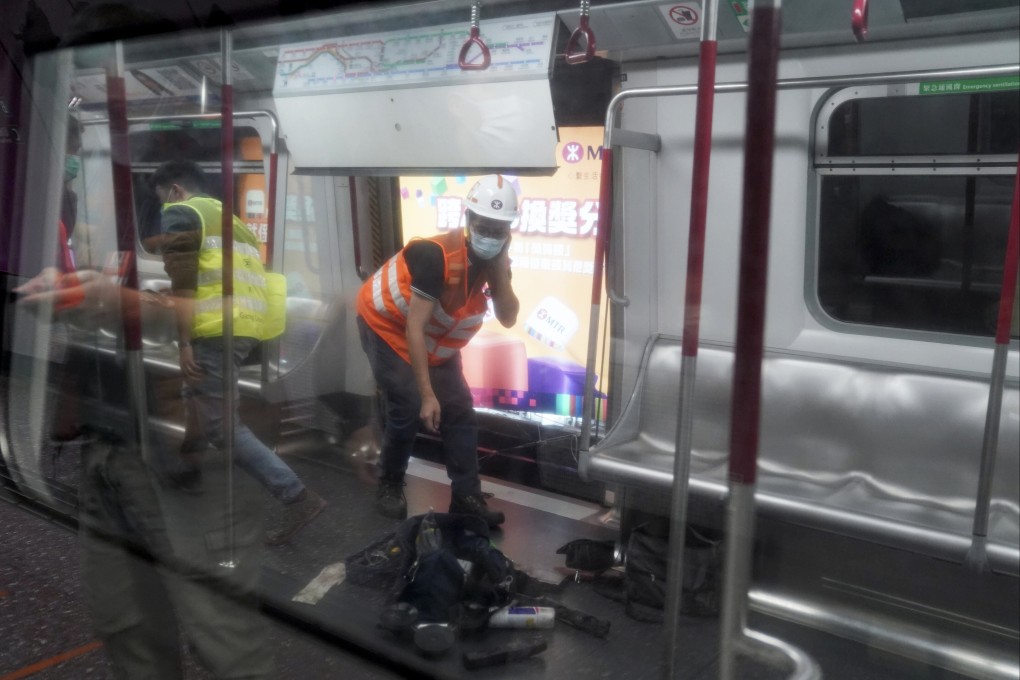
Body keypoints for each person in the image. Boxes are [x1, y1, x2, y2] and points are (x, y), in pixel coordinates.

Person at [152, 159, 325, 545]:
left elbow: (184, 281)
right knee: (195, 395)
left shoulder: (182, 212)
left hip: (214, 327)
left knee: (221, 426)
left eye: (163, 198)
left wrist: (184, 342)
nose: (164, 207)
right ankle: (187, 469)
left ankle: (296, 496)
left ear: (176, 190)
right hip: (245, 325)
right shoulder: (232, 221)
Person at [356, 174, 521, 528]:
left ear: (509, 231)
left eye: (499, 229)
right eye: (484, 225)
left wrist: (499, 267)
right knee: (407, 402)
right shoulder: (435, 255)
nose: (490, 235)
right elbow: (413, 327)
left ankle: (466, 496)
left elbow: (508, 318)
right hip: (386, 325)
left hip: (433, 339)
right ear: (468, 219)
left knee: (459, 408)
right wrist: (428, 394)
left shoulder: (496, 263)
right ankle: (389, 483)